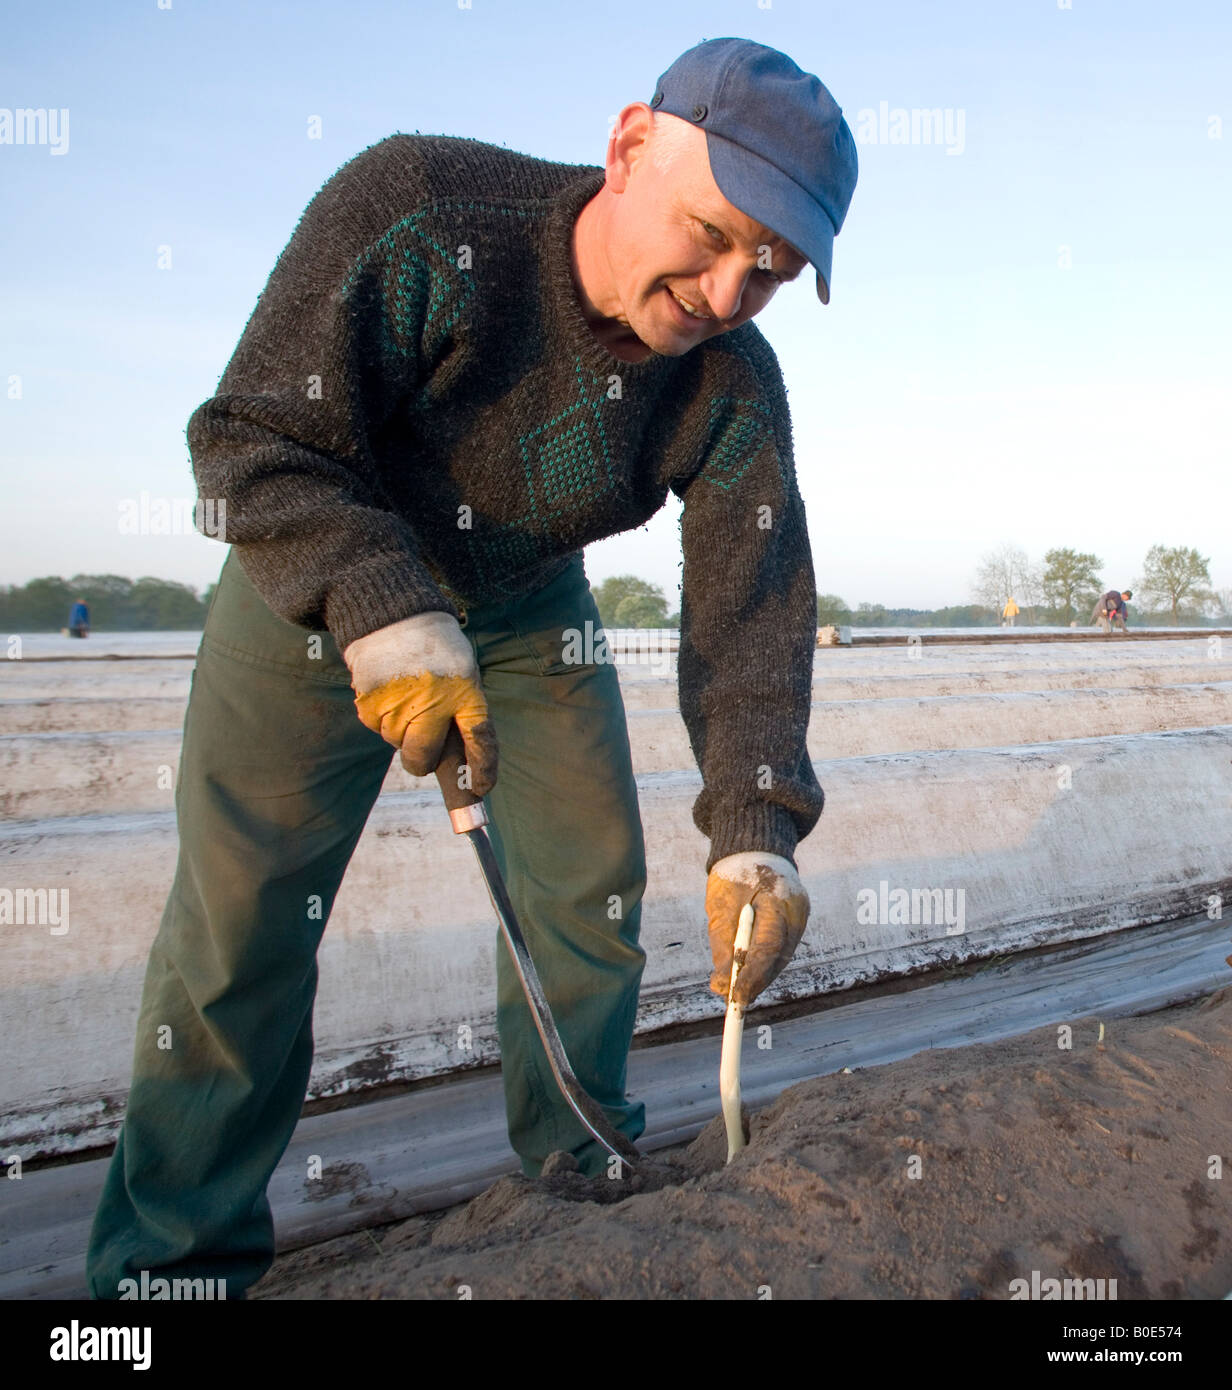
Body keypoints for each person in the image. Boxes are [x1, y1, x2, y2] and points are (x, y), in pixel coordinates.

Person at [86, 36, 858, 1298]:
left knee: (586, 875)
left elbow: (750, 603)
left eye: (765, 272)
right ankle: (169, 1269)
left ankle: (577, 1168)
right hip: (319, 580)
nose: (724, 291)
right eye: (712, 234)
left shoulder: (727, 385)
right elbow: (250, 443)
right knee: (242, 930)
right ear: (627, 147)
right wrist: (378, 604)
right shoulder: (422, 213)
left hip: (523, 593)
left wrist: (756, 827)